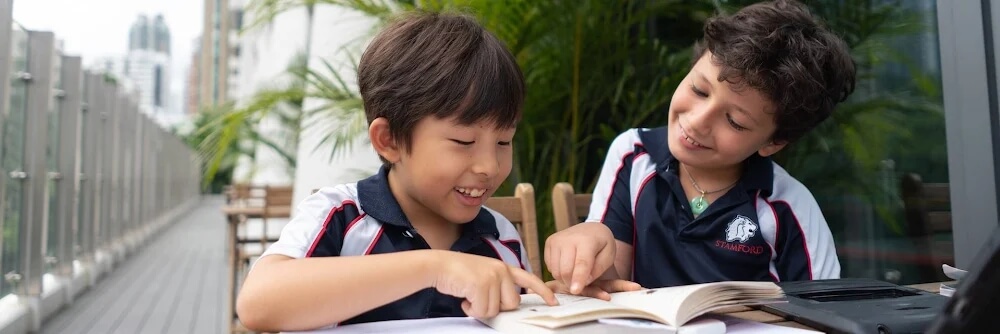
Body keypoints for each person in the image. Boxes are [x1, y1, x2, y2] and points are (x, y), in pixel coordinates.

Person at [236, 11, 558, 332]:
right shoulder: (341, 217)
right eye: (464, 141)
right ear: (389, 140)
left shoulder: (501, 238)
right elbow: (258, 301)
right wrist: (434, 268)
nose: (489, 166)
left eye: (504, 141)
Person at [544, 0, 856, 297]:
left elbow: (823, 314)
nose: (697, 121)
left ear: (772, 142)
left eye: (734, 121)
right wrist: (590, 247)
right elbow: (613, 286)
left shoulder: (789, 207)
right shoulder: (633, 155)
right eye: (699, 89)